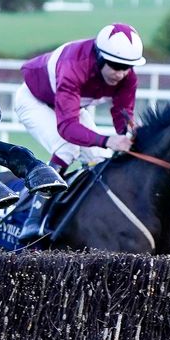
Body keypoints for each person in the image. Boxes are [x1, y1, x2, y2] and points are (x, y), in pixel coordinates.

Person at [13, 23, 147, 241]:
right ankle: (33, 218)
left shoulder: (128, 77)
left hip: (71, 105)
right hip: (34, 100)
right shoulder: (74, 66)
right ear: (100, 57)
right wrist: (107, 140)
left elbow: (122, 112)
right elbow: (67, 127)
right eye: (115, 65)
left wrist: (130, 131)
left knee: (99, 158)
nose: (121, 73)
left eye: (127, 67)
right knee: (67, 148)